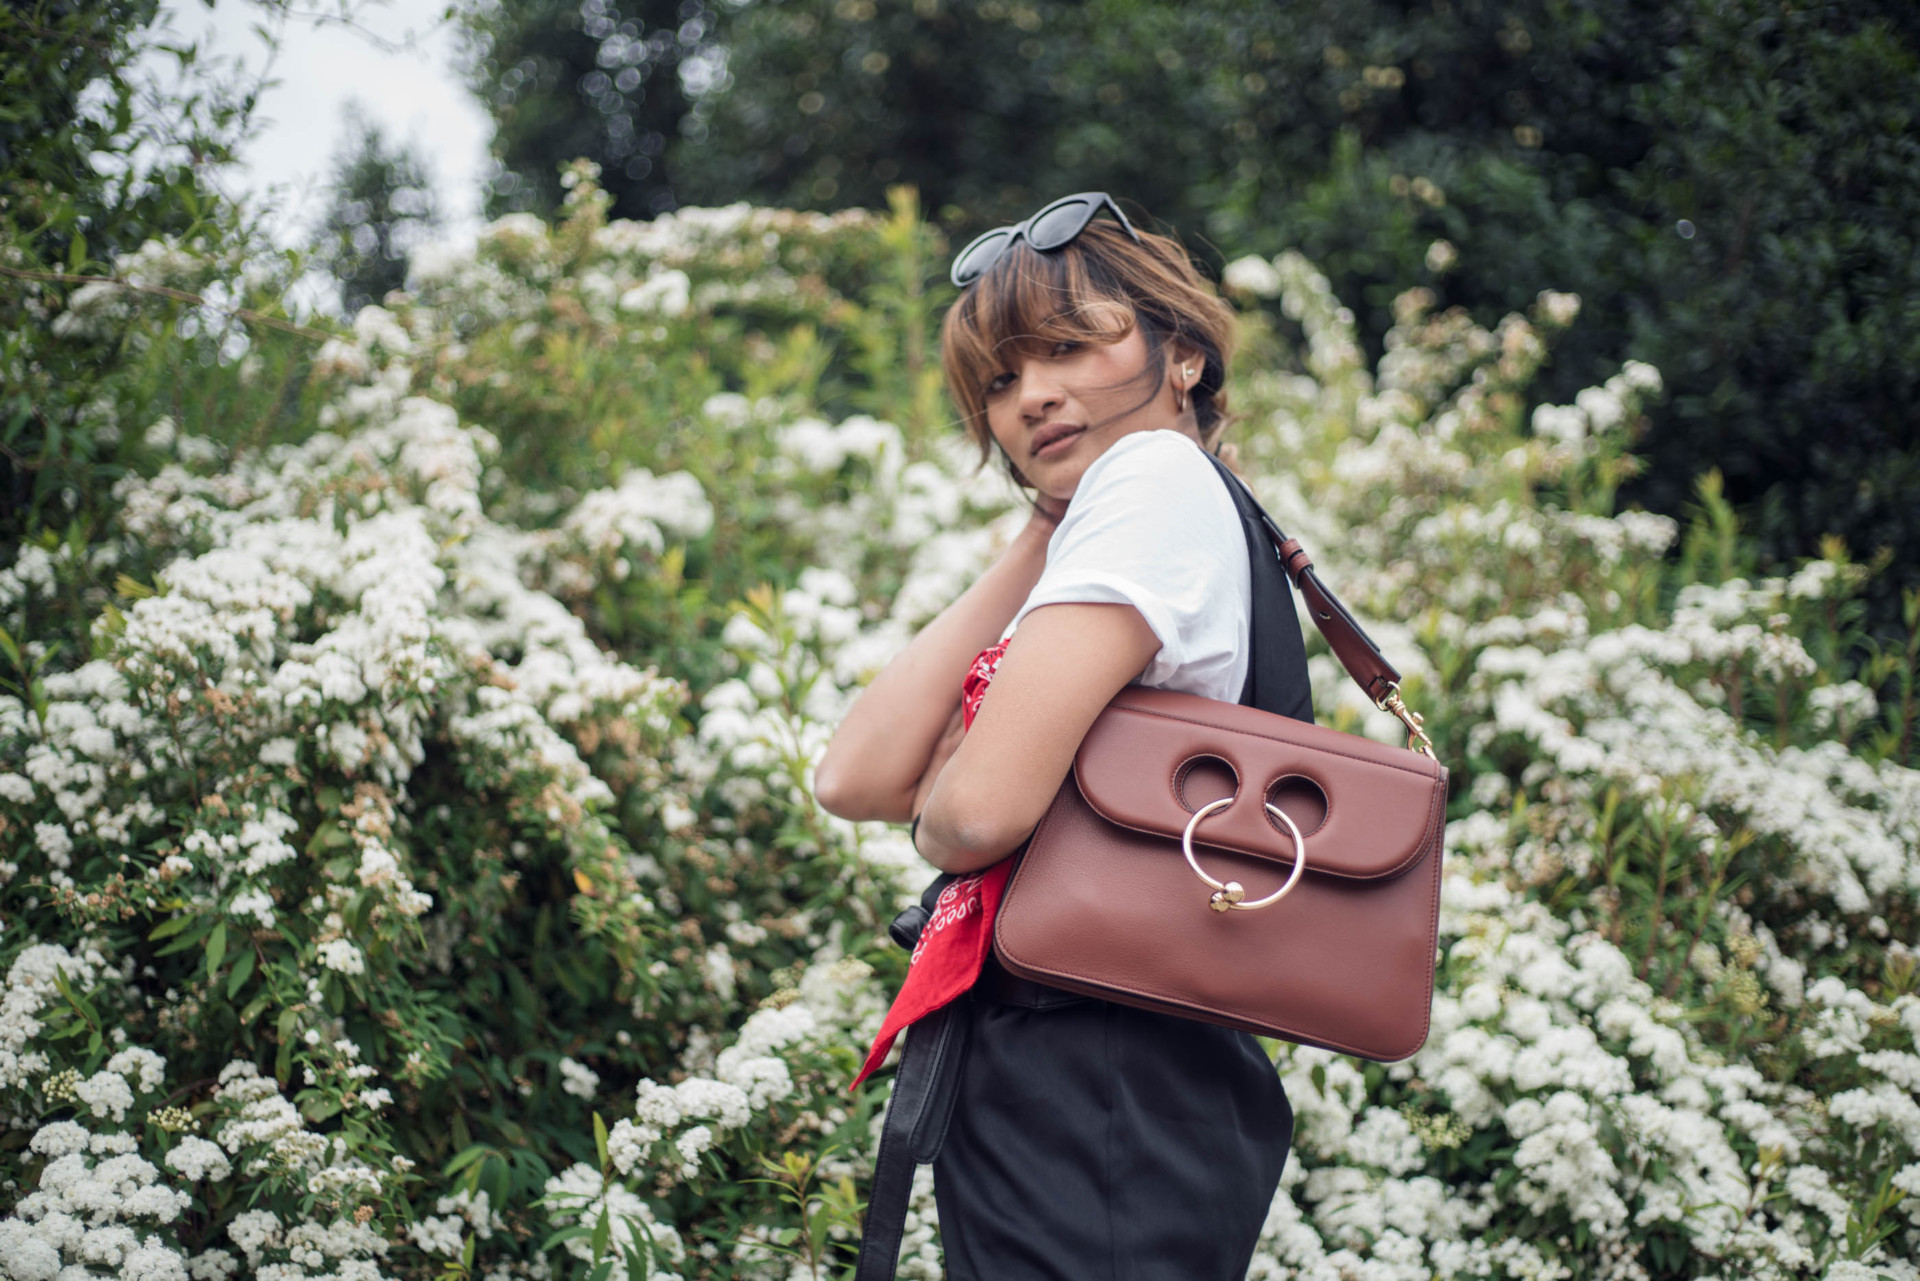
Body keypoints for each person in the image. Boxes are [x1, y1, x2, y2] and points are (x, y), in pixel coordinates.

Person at [812, 193, 1308, 1280]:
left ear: (1183, 355)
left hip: (1096, 1086)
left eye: (1070, 348)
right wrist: (1045, 529)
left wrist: (966, 779)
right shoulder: (1147, 502)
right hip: (1112, 1082)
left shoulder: (1155, 478)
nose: (1033, 395)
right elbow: (854, 775)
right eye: (999, 378)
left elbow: (974, 814)